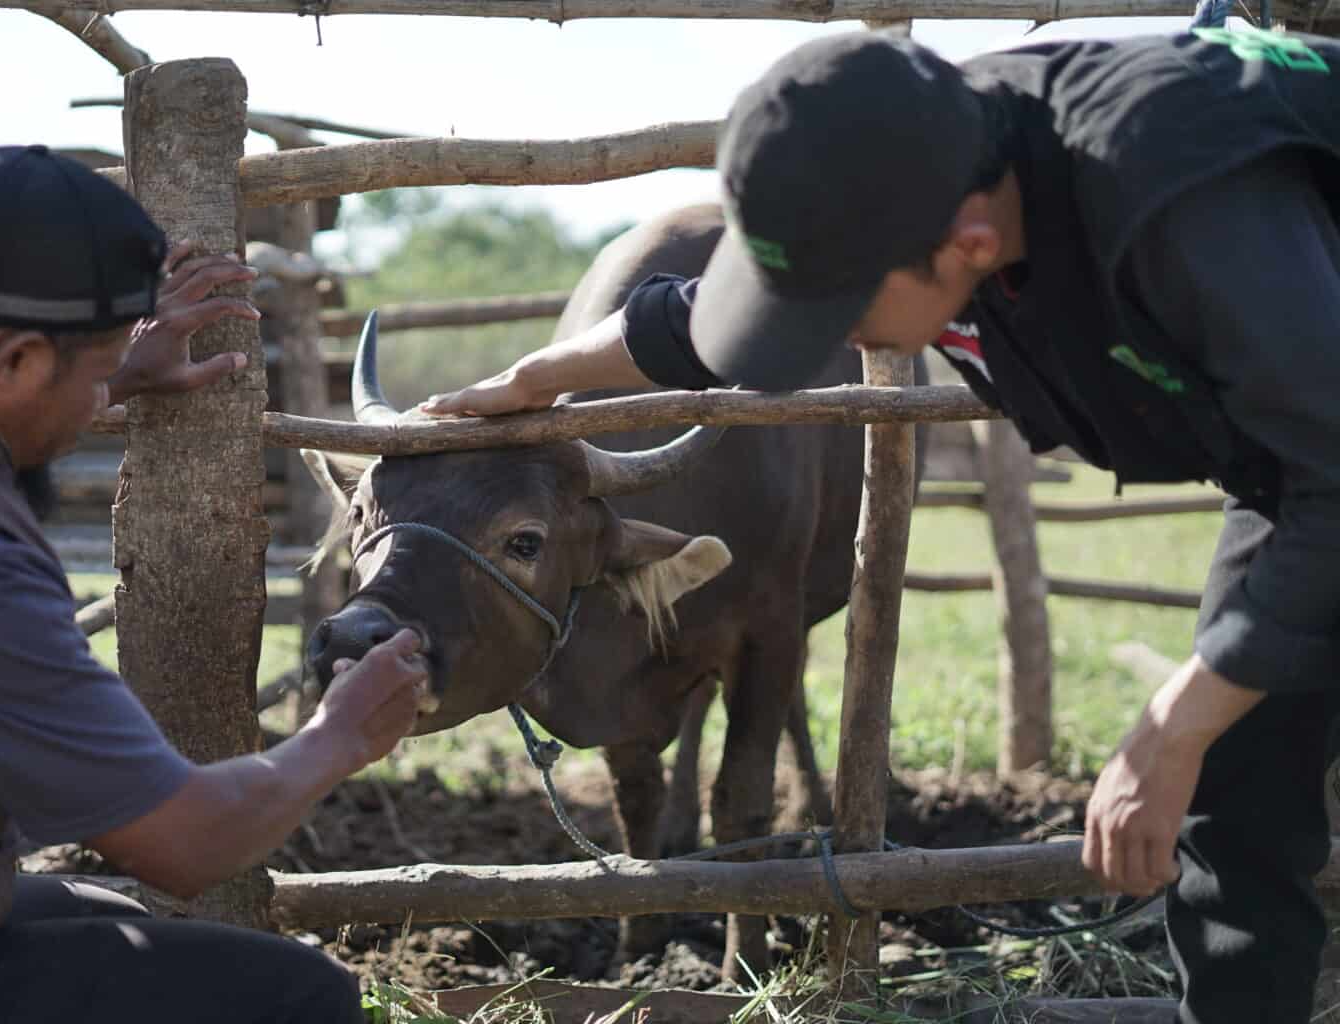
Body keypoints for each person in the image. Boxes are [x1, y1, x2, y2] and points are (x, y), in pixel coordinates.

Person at [424, 26, 1340, 1024]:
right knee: (1243, 783)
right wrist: (535, 379)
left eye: (839, 318)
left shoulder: (1183, 199)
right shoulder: (911, 164)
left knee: (1214, 734)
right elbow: (687, 323)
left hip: (1322, 455)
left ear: (971, 250)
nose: (827, 344)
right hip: (1299, 458)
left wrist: (1172, 725)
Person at [0, 145, 426, 1024]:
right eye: (96, 371)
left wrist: (109, 371)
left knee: (98, 920)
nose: (108, 393)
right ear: (14, 361)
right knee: (295, 996)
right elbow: (184, 840)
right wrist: (338, 735)